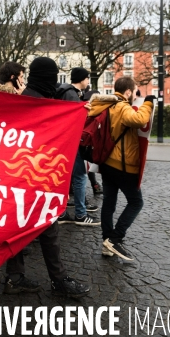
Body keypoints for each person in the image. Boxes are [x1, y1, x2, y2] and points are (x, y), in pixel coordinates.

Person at [3, 57, 90, 298]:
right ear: (47, 77)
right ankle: (58, 280)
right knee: (47, 230)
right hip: (33, 179)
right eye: (53, 76)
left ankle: (16, 277)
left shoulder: (30, 97)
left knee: (19, 229)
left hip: (23, 178)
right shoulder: (37, 102)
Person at [88, 76, 154, 261]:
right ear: (127, 92)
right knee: (136, 202)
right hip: (121, 165)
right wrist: (148, 103)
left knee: (109, 202)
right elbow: (139, 120)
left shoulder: (105, 104)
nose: (135, 95)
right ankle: (115, 239)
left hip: (106, 162)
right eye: (135, 92)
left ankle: (106, 243)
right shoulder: (122, 106)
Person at [56, 67, 100, 226]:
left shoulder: (65, 91)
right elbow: (76, 119)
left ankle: (62, 213)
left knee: (66, 178)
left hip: (64, 142)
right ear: (81, 79)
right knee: (80, 177)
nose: (88, 81)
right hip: (71, 142)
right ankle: (81, 214)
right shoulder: (71, 94)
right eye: (87, 78)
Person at [82, 88, 103, 195]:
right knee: (82, 172)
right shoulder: (95, 112)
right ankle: (94, 185)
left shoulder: (85, 109)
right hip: (86, 144)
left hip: (85, 144)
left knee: (86, 167)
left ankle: (95, 185)